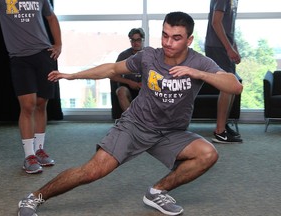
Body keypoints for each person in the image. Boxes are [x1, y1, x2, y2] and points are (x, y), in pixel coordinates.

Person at [17, 11, 243, 216]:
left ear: (189, 40)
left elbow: (234, 86)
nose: (168, 42)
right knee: (92, 171)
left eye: (176, 38)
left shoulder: (199, 62)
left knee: (208, 153)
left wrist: (198, 73)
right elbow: (112, 69)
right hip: (136, 126)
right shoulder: (148, 57)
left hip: (171, 132)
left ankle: (157, 192)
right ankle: (33, 198)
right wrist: (73, 76)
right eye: (165, 35)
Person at [0, 0, 62, 174]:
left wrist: (58, 44)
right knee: (28, 105)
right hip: (20, 59)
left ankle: (39, 150)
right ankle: (29, 156)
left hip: (44, 55)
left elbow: (51, 18)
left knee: (41, 104)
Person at [205, 0, 243, 144]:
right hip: (217, 46)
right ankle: (220, 132)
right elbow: (216, 22)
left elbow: (229, 28)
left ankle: (223, 126)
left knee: (233, 84)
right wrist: (228, 48)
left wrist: (234, 48)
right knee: (227, 85)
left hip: (224, 46)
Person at [112, 28, 145, 112]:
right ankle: (131, 120)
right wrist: (129, 82)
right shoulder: (123, 55)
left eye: (138, 40)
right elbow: (113, 76)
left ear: (143, 40)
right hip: (128, 87)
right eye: (133, 40)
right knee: (121, 91)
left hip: (145, 88)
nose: (135, 43)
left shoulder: (149, 54)